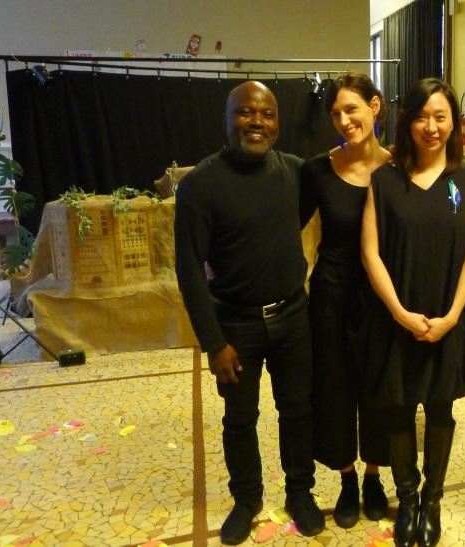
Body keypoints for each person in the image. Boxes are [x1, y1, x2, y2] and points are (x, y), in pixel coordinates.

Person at [175, 81, 324, 545]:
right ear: (226, 119)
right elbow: (189, 271)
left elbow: (298, 216)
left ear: (278, 122)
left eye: (267, 114)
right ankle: (246, 500)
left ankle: (300, 492)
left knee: (297, 412)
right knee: (239, 419)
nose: (257, 122)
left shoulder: (295, 172)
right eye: (245, 112)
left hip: (293, 317)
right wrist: (213, 343)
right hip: (235, 325)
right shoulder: (200, 184)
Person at [357, 77, 465, 547]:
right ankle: (408, 499)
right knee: (398, 408)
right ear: (406, 122)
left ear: (455, 123)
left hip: (448, 316)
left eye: (440, 117)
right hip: (396, 317)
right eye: (421, 117)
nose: (431, 127)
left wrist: (453, 316)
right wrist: (398, 312)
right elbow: (371, 253)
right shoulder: (384, 179)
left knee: (439, 408)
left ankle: (432, 499)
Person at [299, 73, 393, 529]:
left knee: (378, 386)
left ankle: (374, 475)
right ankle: (347, 478)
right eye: (336, 114)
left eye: (351, 109)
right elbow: (287, 230)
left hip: (382, 296)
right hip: (332, 293)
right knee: (334, 387)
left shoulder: (398, 169)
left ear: (375, 106)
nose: (343, 120)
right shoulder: (317, 169)